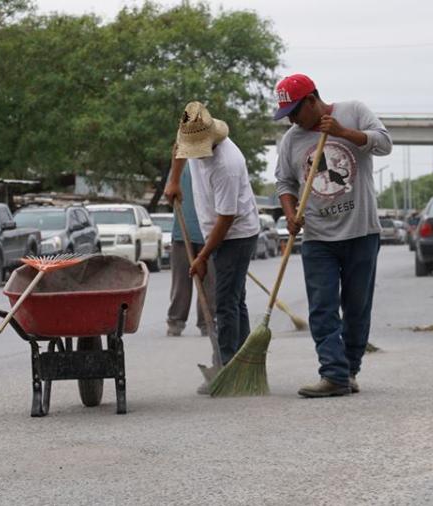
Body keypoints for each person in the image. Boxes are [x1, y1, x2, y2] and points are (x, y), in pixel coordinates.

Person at [273, 74, 392, 398]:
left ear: (312, 100)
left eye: (296, 111)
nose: (293, 120)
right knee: (322, 307)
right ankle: (333, 373)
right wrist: (289, 211)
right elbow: (284, 183)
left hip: (361, 231)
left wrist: (342, 133)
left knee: (356, 308)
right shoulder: (291, 140)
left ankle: (350, 369)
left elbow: (384, 143)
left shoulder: (353, 111)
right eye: (288, 115)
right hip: (318, 238)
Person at [164, 101, 260, 367]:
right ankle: (243, 361)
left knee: (226, 301)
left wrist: (202, 257)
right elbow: (178, 150)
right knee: (234, 297)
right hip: (216, 228)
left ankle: (227, 363)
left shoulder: (227, 165)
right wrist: (174, 180)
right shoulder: (191, 131)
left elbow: (226, 219)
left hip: (237, 235)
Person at [166, 162, 216, 337]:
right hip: (182, 232)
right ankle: (175, 321)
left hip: (208, 235)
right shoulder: (180, 167)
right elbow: (168, 193)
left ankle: (207, 322)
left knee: (209, 283)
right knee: (181, 282)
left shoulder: (212, 165)